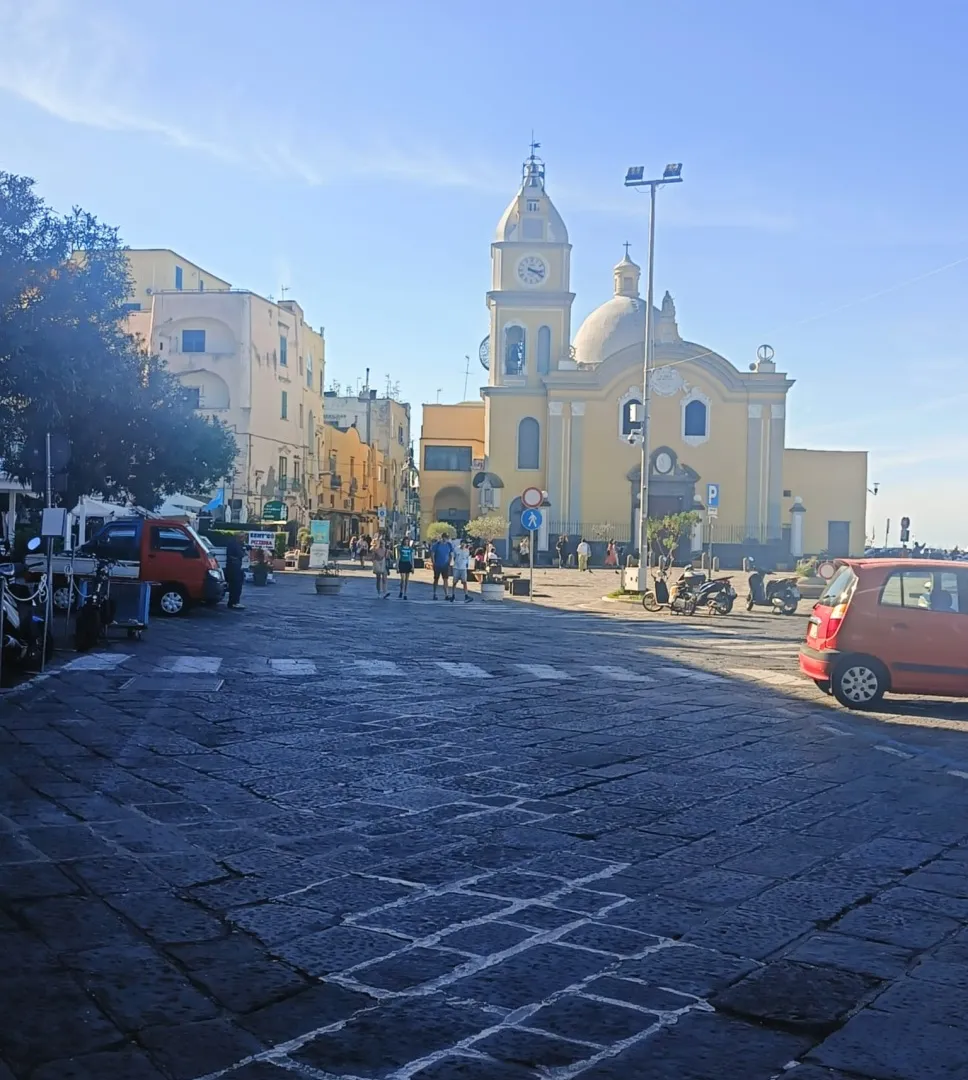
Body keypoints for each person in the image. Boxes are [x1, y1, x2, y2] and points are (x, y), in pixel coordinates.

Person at [224, 533, 246, 609]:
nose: (244, 540)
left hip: (233, 567)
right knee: (236, 586)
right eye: (243, 538)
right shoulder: (235, 544)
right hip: (234, 568)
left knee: (235, 586)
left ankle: (233, 602)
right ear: (240, 537)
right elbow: (240, 554)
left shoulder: (234, 543)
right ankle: (234, 602)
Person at [431, 534, 453, 600]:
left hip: (445, 565)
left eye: (446, 538)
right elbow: (432, 553)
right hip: (437, 565)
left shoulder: (449, 545)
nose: (444, 539)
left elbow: (451, 554)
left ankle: (446, 595)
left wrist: (449, 562)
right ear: (441, 538)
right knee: (436, 579)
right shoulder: (437, 545)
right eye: (443, 538)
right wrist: (433, 562)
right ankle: (434, 593)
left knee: (445, 579)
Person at [396, 535, 414, 599]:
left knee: (406, 580)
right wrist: (397, 566)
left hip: (408, 563)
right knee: (402, 579)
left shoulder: (410, 549)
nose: (406, 542)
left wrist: (412, 567)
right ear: (403, 541)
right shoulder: (400, 548)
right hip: (402, 563)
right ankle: (401, 591)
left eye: (407, 541)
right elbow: (398, 557)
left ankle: (405, 593)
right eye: (405, 541)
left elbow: (412, 558)